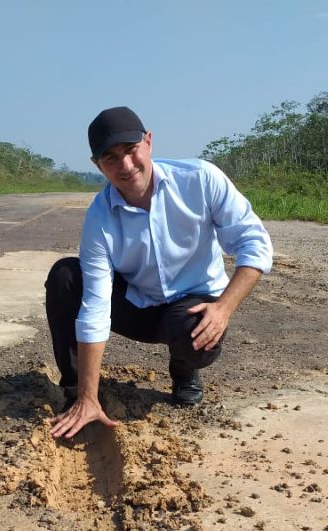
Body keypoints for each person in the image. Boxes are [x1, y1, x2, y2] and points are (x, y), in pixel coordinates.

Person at [46, 106, 273, 439]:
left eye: (131, 150)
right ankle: (77, 391)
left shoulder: (200, 179)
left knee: (196, 338)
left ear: (149, 142)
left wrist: (223, 309)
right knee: (65, 276)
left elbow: (255, 243)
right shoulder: (99, 218)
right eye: (110, 158)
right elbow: (95, 305)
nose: (126, 166)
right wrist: (88, 397)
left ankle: (185, 370)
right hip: (138, 305)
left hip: (192, 303)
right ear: (97, 164)